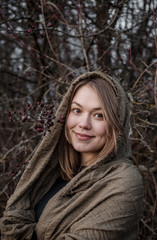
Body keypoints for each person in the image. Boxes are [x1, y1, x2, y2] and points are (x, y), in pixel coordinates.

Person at [0, 71, 144, 240]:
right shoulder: (50, 171)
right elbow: (13, 221)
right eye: (77, 110)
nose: (83, 124)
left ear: (117, 123)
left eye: (99, 115)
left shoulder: (123, 183)